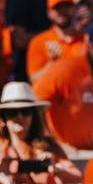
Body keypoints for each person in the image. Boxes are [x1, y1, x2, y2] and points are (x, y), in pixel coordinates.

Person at [0, 82, 81, 184]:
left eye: (25, 112)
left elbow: (76, 178)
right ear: (3, 117)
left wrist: (56, 169)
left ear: (33, 116)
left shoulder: (49, 146)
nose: (20, 117)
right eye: (12, 112)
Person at [32, 16, 93, 151]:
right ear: (88, 45)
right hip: (71, 156)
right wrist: (52, 142)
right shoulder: (65, 70)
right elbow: (35, 104)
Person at [26, 0, 85, 83]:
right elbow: (34, 80)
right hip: (52, 96)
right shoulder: (38, 41)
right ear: (49, 13)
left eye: (66, 7)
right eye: (57, 8)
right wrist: (52, 63)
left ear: (74, 9)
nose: (62, 12)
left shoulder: (85, 39)